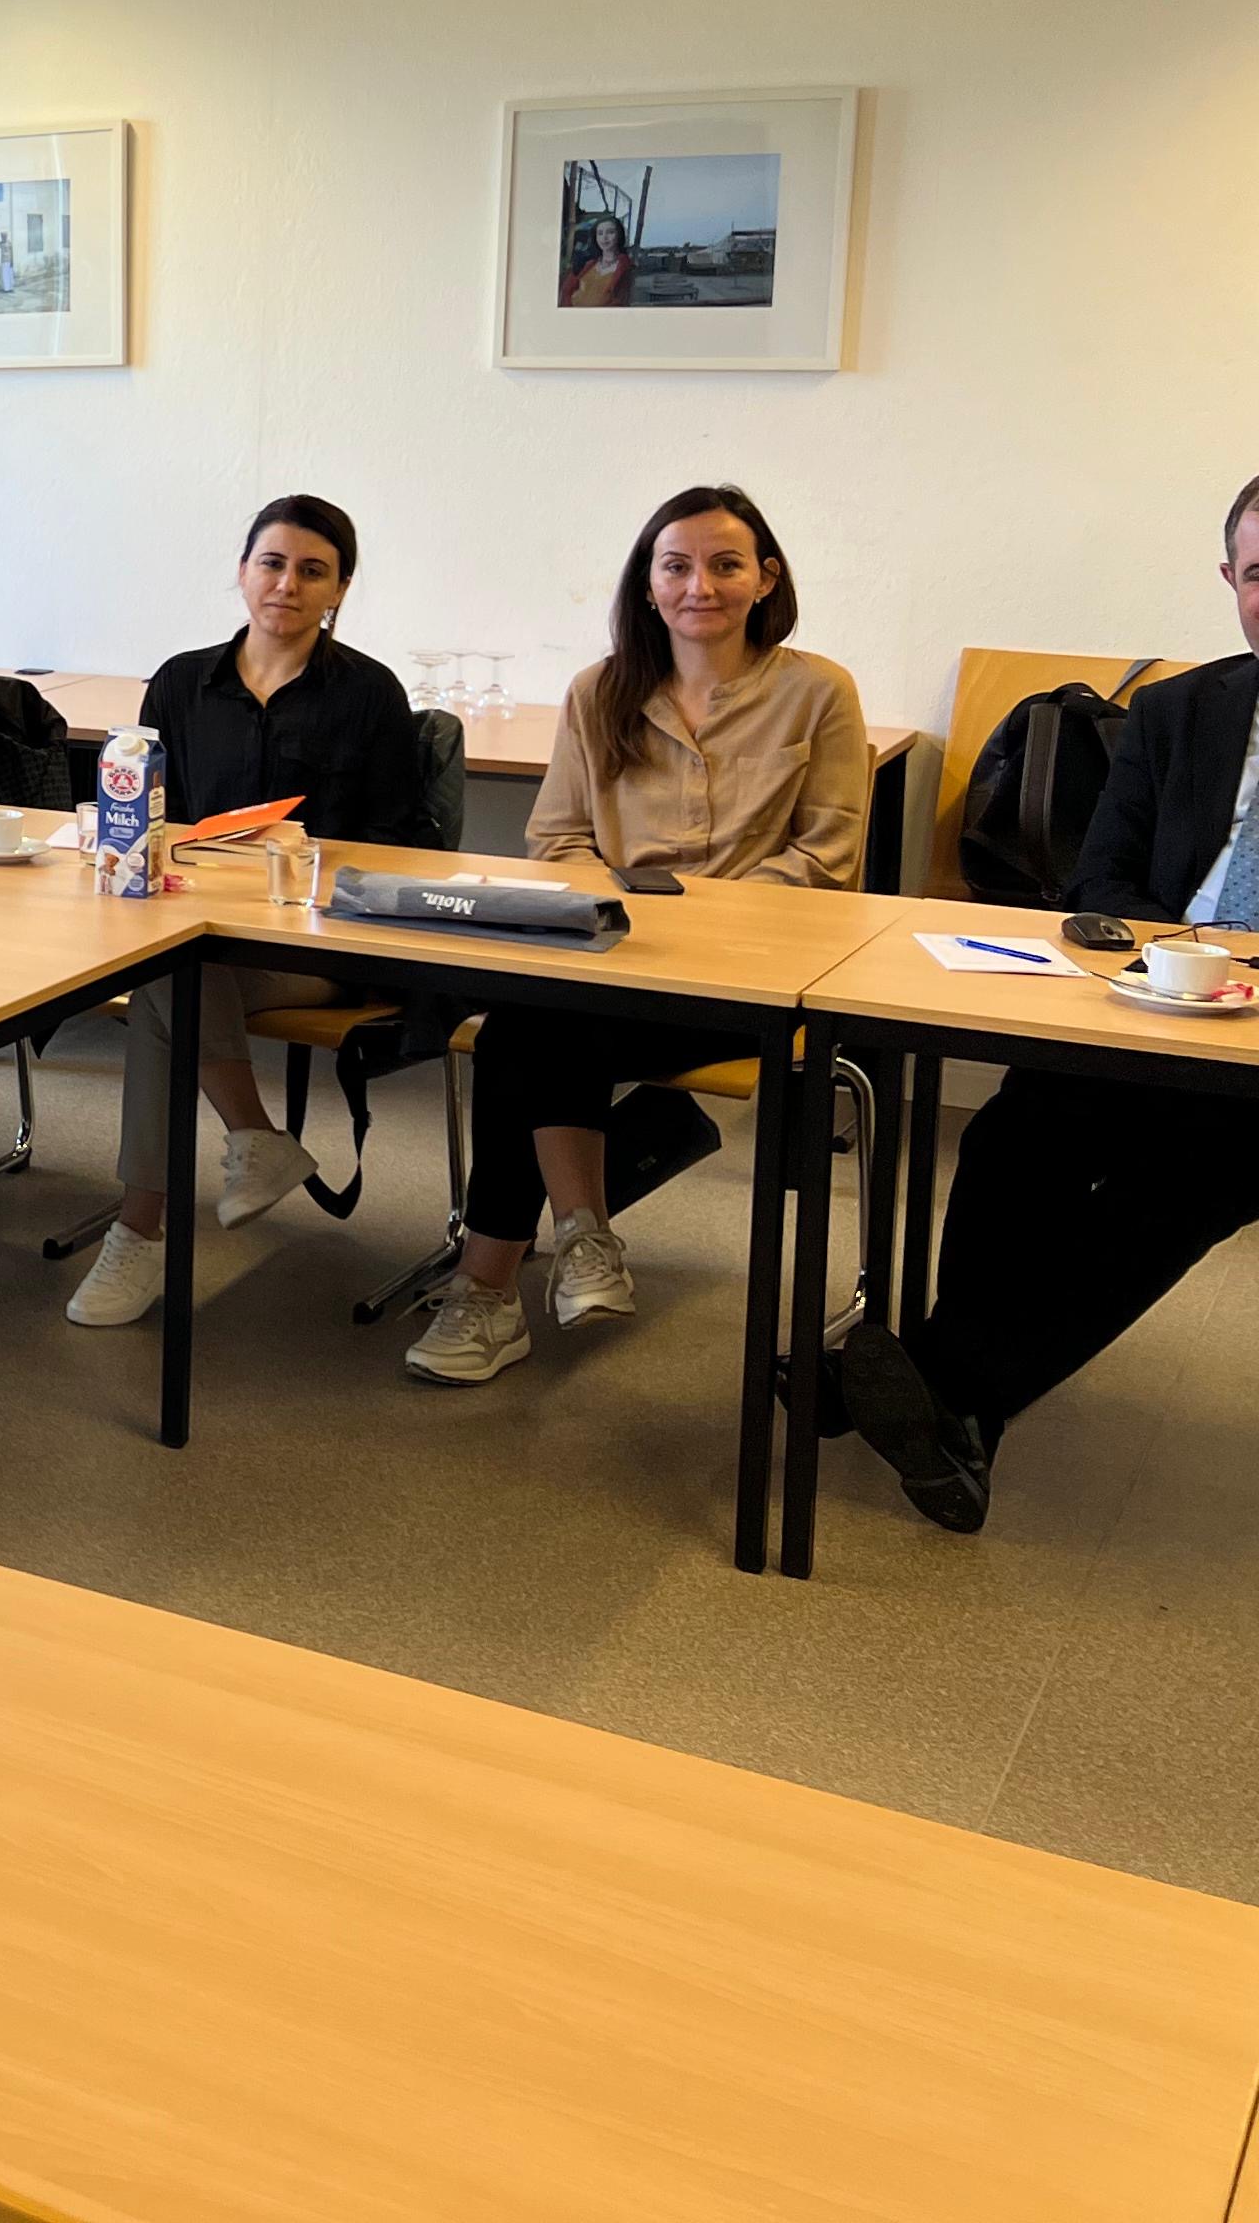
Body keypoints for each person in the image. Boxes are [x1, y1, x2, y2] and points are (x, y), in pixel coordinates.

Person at [835, 475, 1259, 1532]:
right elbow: (1101, 880)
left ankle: (943, 1384)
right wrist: (1186, 966)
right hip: (1165, 1003)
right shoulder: (1178, 711)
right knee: (1016, 1137)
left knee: (1186, 1178)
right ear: (1230, 581)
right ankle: (963, 1414)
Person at [402, 484, 867, 1387]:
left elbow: (827, 860)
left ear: (766, 578)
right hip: (614, 961)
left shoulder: (818, 693)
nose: (701, 586)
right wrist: (624, 921)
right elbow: (558, 840)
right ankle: (577, 1244)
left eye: (726, 565)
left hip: (745, 980)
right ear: (648, 585)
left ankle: (495, 1288)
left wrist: (690, 921)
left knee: (522, 1033)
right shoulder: (600, 691)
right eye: (677, 566)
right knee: (536, 1019)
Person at [66, 497, 440, 1327]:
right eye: (271, 564)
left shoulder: (370, 693)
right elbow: (154, 818)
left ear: (340, 589)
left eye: (313, 571)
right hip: (203, 934)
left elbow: (400, 842)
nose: (287, 585)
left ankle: (142, 1229)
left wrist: (310, 853)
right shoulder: (181, 683)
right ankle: (248, 1146)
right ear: (242, 571)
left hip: (320, 946)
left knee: (166, 985)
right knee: (172, 975)